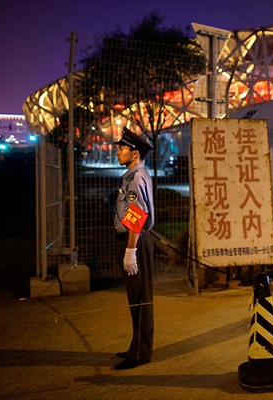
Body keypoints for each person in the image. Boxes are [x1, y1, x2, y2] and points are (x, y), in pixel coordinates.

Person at [113, 126, 155, 370]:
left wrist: (130, 251)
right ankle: (136, 347)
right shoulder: (132, 175)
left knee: (140, 299)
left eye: (122, 149)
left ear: (135, 153)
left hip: (135, 242)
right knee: (135, 298)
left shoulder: (136, 177)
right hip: (133, 240)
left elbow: (136, 214)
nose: (118, 152)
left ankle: (140, 353)